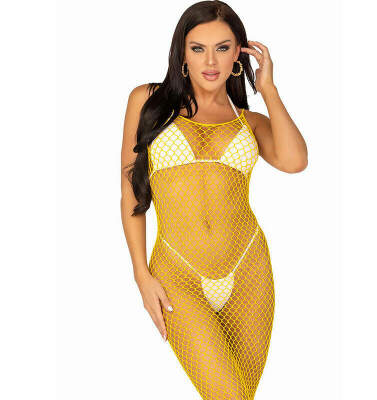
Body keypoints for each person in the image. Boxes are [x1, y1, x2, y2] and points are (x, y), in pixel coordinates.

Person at [121, 1, 308, 398]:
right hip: (177, 274)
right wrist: (141, 275)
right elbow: (130, 191)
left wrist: (268, 89)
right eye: (198, 48)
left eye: (222, 48)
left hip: (249, 272)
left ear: (239, 53)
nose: (210, 61)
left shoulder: (248, 121)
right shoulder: (147, 101)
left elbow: (295, 161)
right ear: (182, 53)